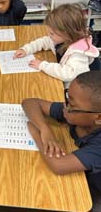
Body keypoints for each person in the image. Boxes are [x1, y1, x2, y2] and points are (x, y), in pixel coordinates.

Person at [21, 70, 101, 211]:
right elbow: (30, 102)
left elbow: (59, 165)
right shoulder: (76, 112)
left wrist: (36, 133)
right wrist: (44, 128)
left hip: (92, 191)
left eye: (72, 105)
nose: (65, 106)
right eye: (67, 98)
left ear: (98, 118)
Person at [14, 3, 100, 88]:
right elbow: (44, 41)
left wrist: (42, 65)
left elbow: (68, 74)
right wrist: (26, 49)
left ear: (67, 33)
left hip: (79, 89)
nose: (49, 35)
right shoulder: (62, 39)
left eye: (52, 33)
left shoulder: (79, 53)